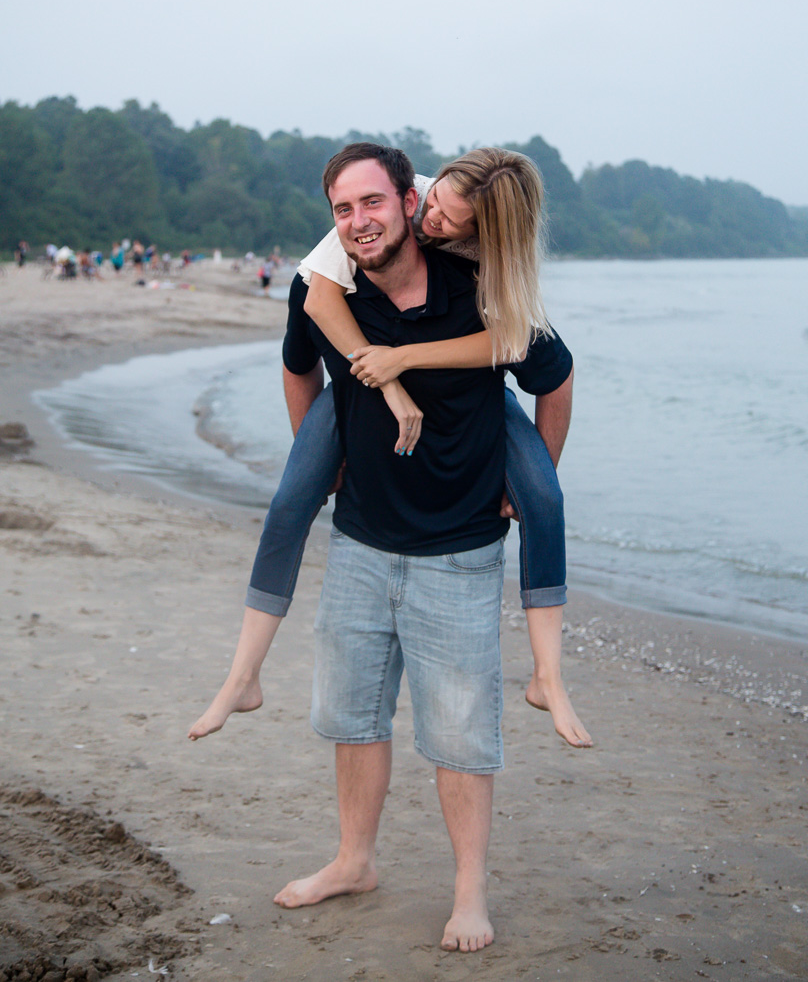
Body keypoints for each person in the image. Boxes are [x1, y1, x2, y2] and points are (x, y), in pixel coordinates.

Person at [263, 143, 574, 948]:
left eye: (384, 205)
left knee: (463, 733)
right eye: (346, 208)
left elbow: (555, 377)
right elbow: (298, 363)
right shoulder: (333, 281)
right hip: (361, 541)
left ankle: (469, 893)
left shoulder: (483, 287)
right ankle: (352, 861)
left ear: (409, 200)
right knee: (354, 716)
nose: (367, 221)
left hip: (461, 548)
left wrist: (531, 470)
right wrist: (318, 456)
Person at [190, 148, 590, 752]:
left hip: (467, 401)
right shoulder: (387, 205)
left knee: (545, 498)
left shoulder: (488, 267)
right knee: (292, 498)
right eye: (433, 204)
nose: (432, 219)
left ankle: (549, 677)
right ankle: (243, 676)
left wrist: (528, 466)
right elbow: (317, 302)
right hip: (356, 389)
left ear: (482, 233)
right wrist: (333, 446)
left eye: (450, 222)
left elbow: (519, 347)